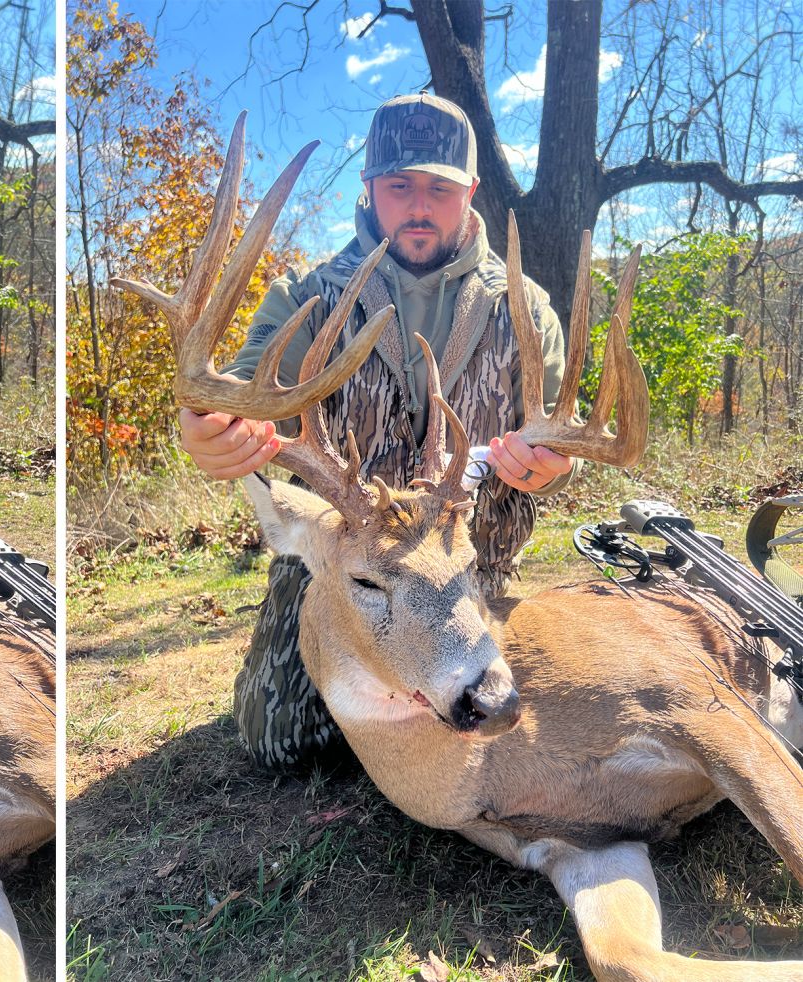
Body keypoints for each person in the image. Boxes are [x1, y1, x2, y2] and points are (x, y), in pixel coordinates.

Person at [180, 93, 575, 775]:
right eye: (399, 186)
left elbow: (560, 438)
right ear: (368, 190)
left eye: (439, 187)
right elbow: (231, 398)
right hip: (349, 571)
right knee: (280, 742)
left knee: (538, 726)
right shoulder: (305, 297)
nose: (418, 204)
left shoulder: (525, 309)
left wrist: (554, 463)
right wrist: (209, 428)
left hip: (473, 567)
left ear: (470, 192)